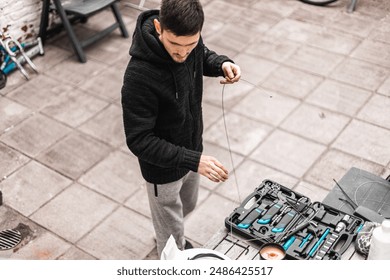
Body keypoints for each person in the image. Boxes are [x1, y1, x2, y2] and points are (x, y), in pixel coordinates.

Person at [121, 0, 241, 257]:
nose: (183, 53)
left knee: (187, 204)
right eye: (175, 44)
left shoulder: (190, 43)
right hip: (162, 169)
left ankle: (169, 233)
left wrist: (221, 63)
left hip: (193, 153)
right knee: (171, 231)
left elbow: (203, 55)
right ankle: (172, 256)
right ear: (158, 27)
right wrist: (193, 159)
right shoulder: (138, 76)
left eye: (190, 44)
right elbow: (139, 140)